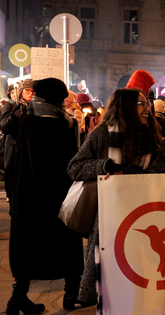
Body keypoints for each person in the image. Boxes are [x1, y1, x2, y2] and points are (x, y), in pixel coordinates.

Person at [67, 88, 165, 306]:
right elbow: (74, 167)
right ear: (126, 107)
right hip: (109, 217)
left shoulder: (150, 134)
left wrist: (133, 178)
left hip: (144, 212)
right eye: (141, 104)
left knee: (138, 273)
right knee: (110, 272)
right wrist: (104, 166)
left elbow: (160, 171)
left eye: (147, 103)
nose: (147, 108)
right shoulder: (102, 134)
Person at [7, 78, 85, 315]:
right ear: (58, 99)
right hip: (55, 197)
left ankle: (18, 298)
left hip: (29, 199)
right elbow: (68, 164)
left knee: (27, 250)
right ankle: (72, 293)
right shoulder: (60, 124)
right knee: (67, 246)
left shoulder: (28, 120)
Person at [0, 79, 33, 203]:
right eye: (27, 90)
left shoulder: (36, 108)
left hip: (30, 153)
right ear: (21, 92)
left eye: (33, 91)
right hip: (15, 153)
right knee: (14, 191)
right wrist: (14, 117)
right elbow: (4, 127)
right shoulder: (11, 105)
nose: (31, 93)